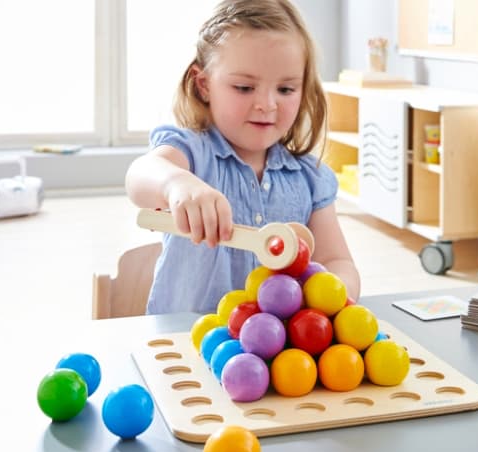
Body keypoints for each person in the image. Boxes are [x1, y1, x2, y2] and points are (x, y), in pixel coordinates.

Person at [125, 0, 360, 315]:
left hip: (278, 359)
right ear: (204, 84)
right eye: (245, 87)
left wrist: (331, 293)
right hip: (187, 347)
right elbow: (141, 175)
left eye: (286, 89)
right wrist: (177, 184)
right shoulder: (193, 153)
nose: (267, 104)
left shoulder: (309, 178)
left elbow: (337, 260)